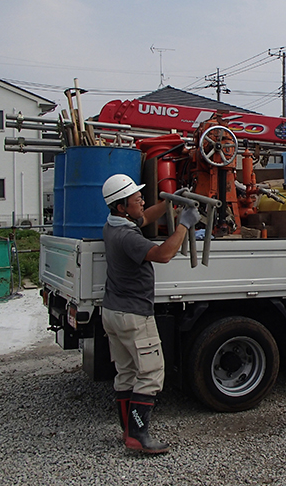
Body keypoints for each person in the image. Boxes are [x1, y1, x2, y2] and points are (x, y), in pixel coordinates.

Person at [101, 173, 201, 454]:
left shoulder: (113, 224)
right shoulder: (127, 237)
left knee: (126, 372)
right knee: (152, 373)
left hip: (113, 312)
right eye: (136, 199)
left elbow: (145, 217)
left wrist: (170, 202)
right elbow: (164, 254)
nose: (141, 201)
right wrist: (183, 225)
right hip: (134, 316)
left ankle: (127, 431)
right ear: (122, 206)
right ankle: (139, 435)